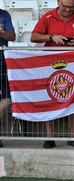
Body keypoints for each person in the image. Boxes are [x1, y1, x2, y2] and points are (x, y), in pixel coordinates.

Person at [31, 0, 74, 148]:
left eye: (72, 7)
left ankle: (73, 136)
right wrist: (51, 37)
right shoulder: (48, 16)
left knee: (73, 97)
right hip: (50, 62)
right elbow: (34, 37)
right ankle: (49, 137)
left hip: (73, 63)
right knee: (49, 98)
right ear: (58, 2)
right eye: (65, 7)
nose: (69, 10)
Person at [0, 9, 16, 148]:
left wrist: (2, 32)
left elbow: (13, 37)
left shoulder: (4, 15)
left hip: (2, 61)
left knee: (8, 97)